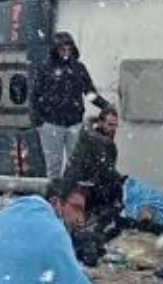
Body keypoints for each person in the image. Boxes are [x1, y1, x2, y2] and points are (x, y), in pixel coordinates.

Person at [31, 32, 108, 183]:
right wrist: (38, 121)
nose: (66, 52)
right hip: (51, 124)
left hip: (75, 123)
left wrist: (105, 106)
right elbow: (35, 96)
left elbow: (89, 92)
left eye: (69, 48)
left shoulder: (78, 68)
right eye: (62, 49)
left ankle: (69, 198)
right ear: (55, 50)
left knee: (76, 164)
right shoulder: (45, 68)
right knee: (54, 166)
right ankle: (54, 198)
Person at [66, 105, 125, 259]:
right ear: (100, 123)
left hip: (86, 186)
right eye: (109, 124)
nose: (113, 129)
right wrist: (122, 183)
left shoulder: (91, 137)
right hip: (83, 187)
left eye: (115, 125)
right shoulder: (97, 142)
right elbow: (106, 170)